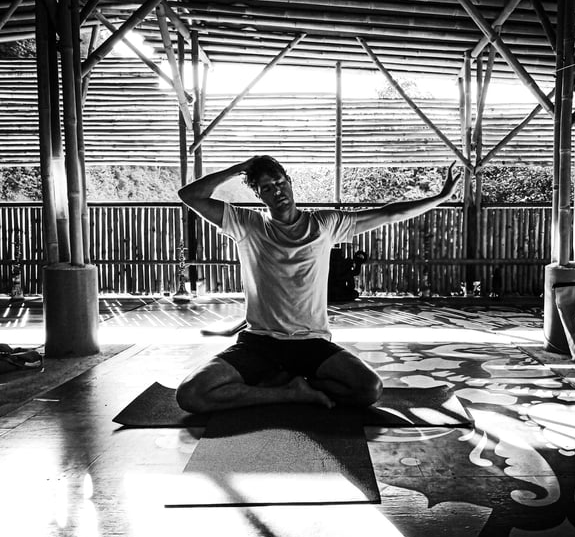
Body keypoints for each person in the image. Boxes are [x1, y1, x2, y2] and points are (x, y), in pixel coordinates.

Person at [175, 155, 460, 413]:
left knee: (368, 388)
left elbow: (389, 213)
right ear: (259, 196)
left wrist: (441, 196)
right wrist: (239, 168)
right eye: (267, 188)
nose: (277, 192)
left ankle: (278, 386)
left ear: (289, 182)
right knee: (191, 394)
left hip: (310, 342)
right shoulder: (247, 224)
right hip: (259, 342)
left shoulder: (325, 224)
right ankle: (289, 393)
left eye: (280, 183)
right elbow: (189, 195)